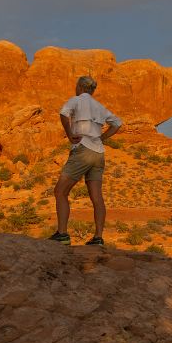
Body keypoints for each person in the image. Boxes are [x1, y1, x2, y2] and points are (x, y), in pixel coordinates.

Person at [49, 75, 122, 245]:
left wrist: (69, 134)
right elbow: (117, 123)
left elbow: (63, 113)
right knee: (96, 197)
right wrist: (102, 138)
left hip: (82, 150)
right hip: (98, 153)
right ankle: (98, 238)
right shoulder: (99, 106)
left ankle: (62, 234)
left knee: (60, 191)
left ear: (80, 87)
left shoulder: (76, 100)